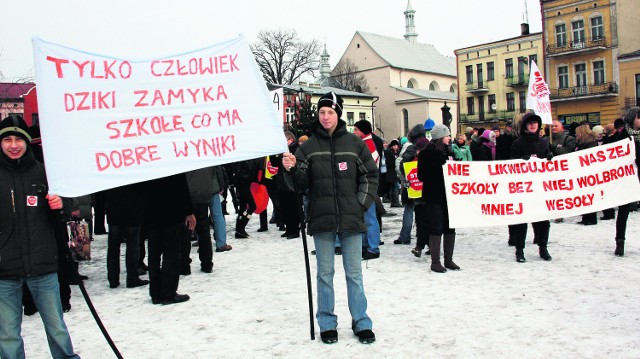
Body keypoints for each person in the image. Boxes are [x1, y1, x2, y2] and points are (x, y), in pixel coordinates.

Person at [282, 92, 377, 345]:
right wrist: (291, 169)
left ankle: (361, 322)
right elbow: (299, 185)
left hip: (351, 219)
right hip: (322, 219)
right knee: (325, 273)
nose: (326, 117)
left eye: (330, 112)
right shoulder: (308, 147)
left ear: (338, 114)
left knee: (354, 274)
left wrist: (359, 205)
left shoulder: (355, 144)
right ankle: (327, 322)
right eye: (322, 112)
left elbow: (370, 176)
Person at [0, 117, 80, 358]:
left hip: (43, 267)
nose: (14, 145)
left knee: (56, 327)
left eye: (18, 140)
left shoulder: (45, 172)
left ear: (27, 143)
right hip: (5, 271)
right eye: (7, 140)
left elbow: (71, 204)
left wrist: (61, 203)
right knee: (7, 334)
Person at [140, 173, 196, 305]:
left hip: (151, 210)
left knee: (154, 254)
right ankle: (168, 292)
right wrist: (188, 210)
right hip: (171, 209)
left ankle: (156, 292)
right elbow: (180, 183)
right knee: (171, 253)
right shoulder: (170, 160)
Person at [509, 113, 553, 263]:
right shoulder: (518, 143)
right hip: (524, 187)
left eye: (535, 123)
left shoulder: (544, 142)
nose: (533, 125)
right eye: (530, 123)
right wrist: (520, 161)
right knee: (523, 220)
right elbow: (510, 164)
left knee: (543, 220)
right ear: (525, 126)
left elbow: (550, 162)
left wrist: (551, 157)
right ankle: (519, 250)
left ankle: (543, 247)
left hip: (541, 186)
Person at [417, 124, 459, 273]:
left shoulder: (449, 152)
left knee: (450, 226)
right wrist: (440, 169)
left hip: (449, 196)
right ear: (440, 137)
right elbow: (421, 176)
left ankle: (449, 260)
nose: (450, 138)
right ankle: (435, 262)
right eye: (447, 135)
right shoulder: (426, 154)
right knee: (436, 227)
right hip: (433, 196)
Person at [105, 183, 148, 288]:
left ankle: (113, 278)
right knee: (132, 246)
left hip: (114, 207)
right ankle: (132, 278)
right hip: (133, 208)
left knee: (113, 247)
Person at [353, 119, 381, 259]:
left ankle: (373, 247)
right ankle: (366, 245)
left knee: (369, 217)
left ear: (363, 131)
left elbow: (369, 167)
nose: (354, 132)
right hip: (364, 185)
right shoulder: (363, 144)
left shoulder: (368, 145)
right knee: (364, 217)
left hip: (367, 186)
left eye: (356, 130)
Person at [614, 107, 640, 256]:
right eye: (639, 117)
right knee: (624, 211)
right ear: (632, 119)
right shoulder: (623, 136)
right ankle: (620, 242)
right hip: (627, 178)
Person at [575, 124, 599, 226]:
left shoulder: (590, 144)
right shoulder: (584, 143)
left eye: (577, 133)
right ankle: (586, 217)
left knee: (589, 195)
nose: (576, 135)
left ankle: (591, 218)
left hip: (589, 173)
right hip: (584, 173)